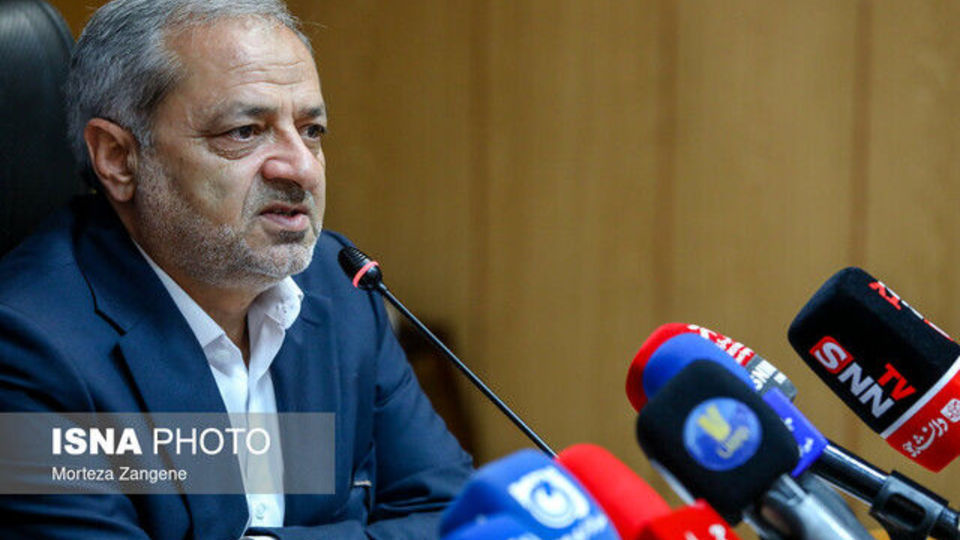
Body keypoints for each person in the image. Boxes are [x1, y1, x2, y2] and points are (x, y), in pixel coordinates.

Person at [0, 0, 473, 538]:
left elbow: (454, 517)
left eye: (312, 130)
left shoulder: (339, 285)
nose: (301, 167)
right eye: (245, 131)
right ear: (118, 157)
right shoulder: (29, 348)